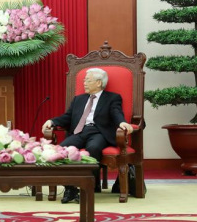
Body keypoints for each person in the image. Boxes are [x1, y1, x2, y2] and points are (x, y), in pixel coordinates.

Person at [41, 68, 134, 203]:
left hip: (98, 133)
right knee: (61, 149)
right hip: (79, 132)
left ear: (98, 83)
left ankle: (86, 185)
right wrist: (53, 121)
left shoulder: (112, 98)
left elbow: (116, 113)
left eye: (87, 80)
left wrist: (122, 122)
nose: (84, 82)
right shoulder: (79, 99)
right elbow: (67, 117)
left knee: (94, 148)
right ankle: (70, 188)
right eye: (84, 79)